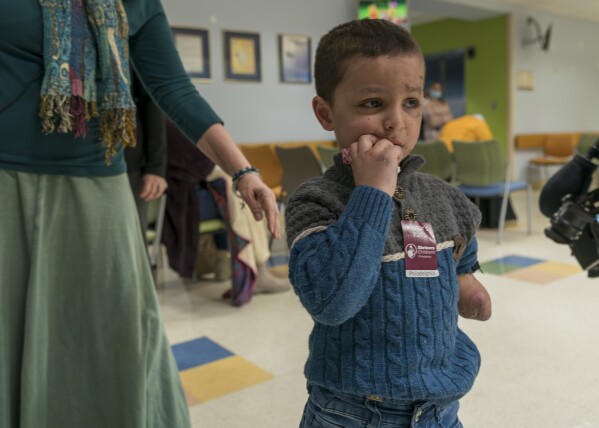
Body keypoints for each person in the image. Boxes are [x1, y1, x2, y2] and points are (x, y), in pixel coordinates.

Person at [0, 1, 278, 426]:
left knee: (113, 335)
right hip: (7, 181)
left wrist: (242, 171)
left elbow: (173, 89)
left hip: (99, 186)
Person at [285, 19, 491, 428]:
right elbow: (333, 302)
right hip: (353, 411)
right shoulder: (315, 201)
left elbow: (446, 260)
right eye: (373, 104)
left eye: (411, 102)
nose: (397, 121)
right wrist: (373, 193)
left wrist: (466, 283)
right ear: (325, 113)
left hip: (439, 407)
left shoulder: (438, 196)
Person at [162, 118, 290, 306]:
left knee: (232, 189)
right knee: (241, 198)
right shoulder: (164, 120)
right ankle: (257, 270)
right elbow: (202, 163)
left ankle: (228, 262)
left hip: (173, 192)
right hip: (176, 196)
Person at [125, 71, 169, 241]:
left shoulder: (127, 46)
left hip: (127, 162)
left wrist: (155, 166)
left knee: (131, 240)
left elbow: (150, 101)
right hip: (65, 159)